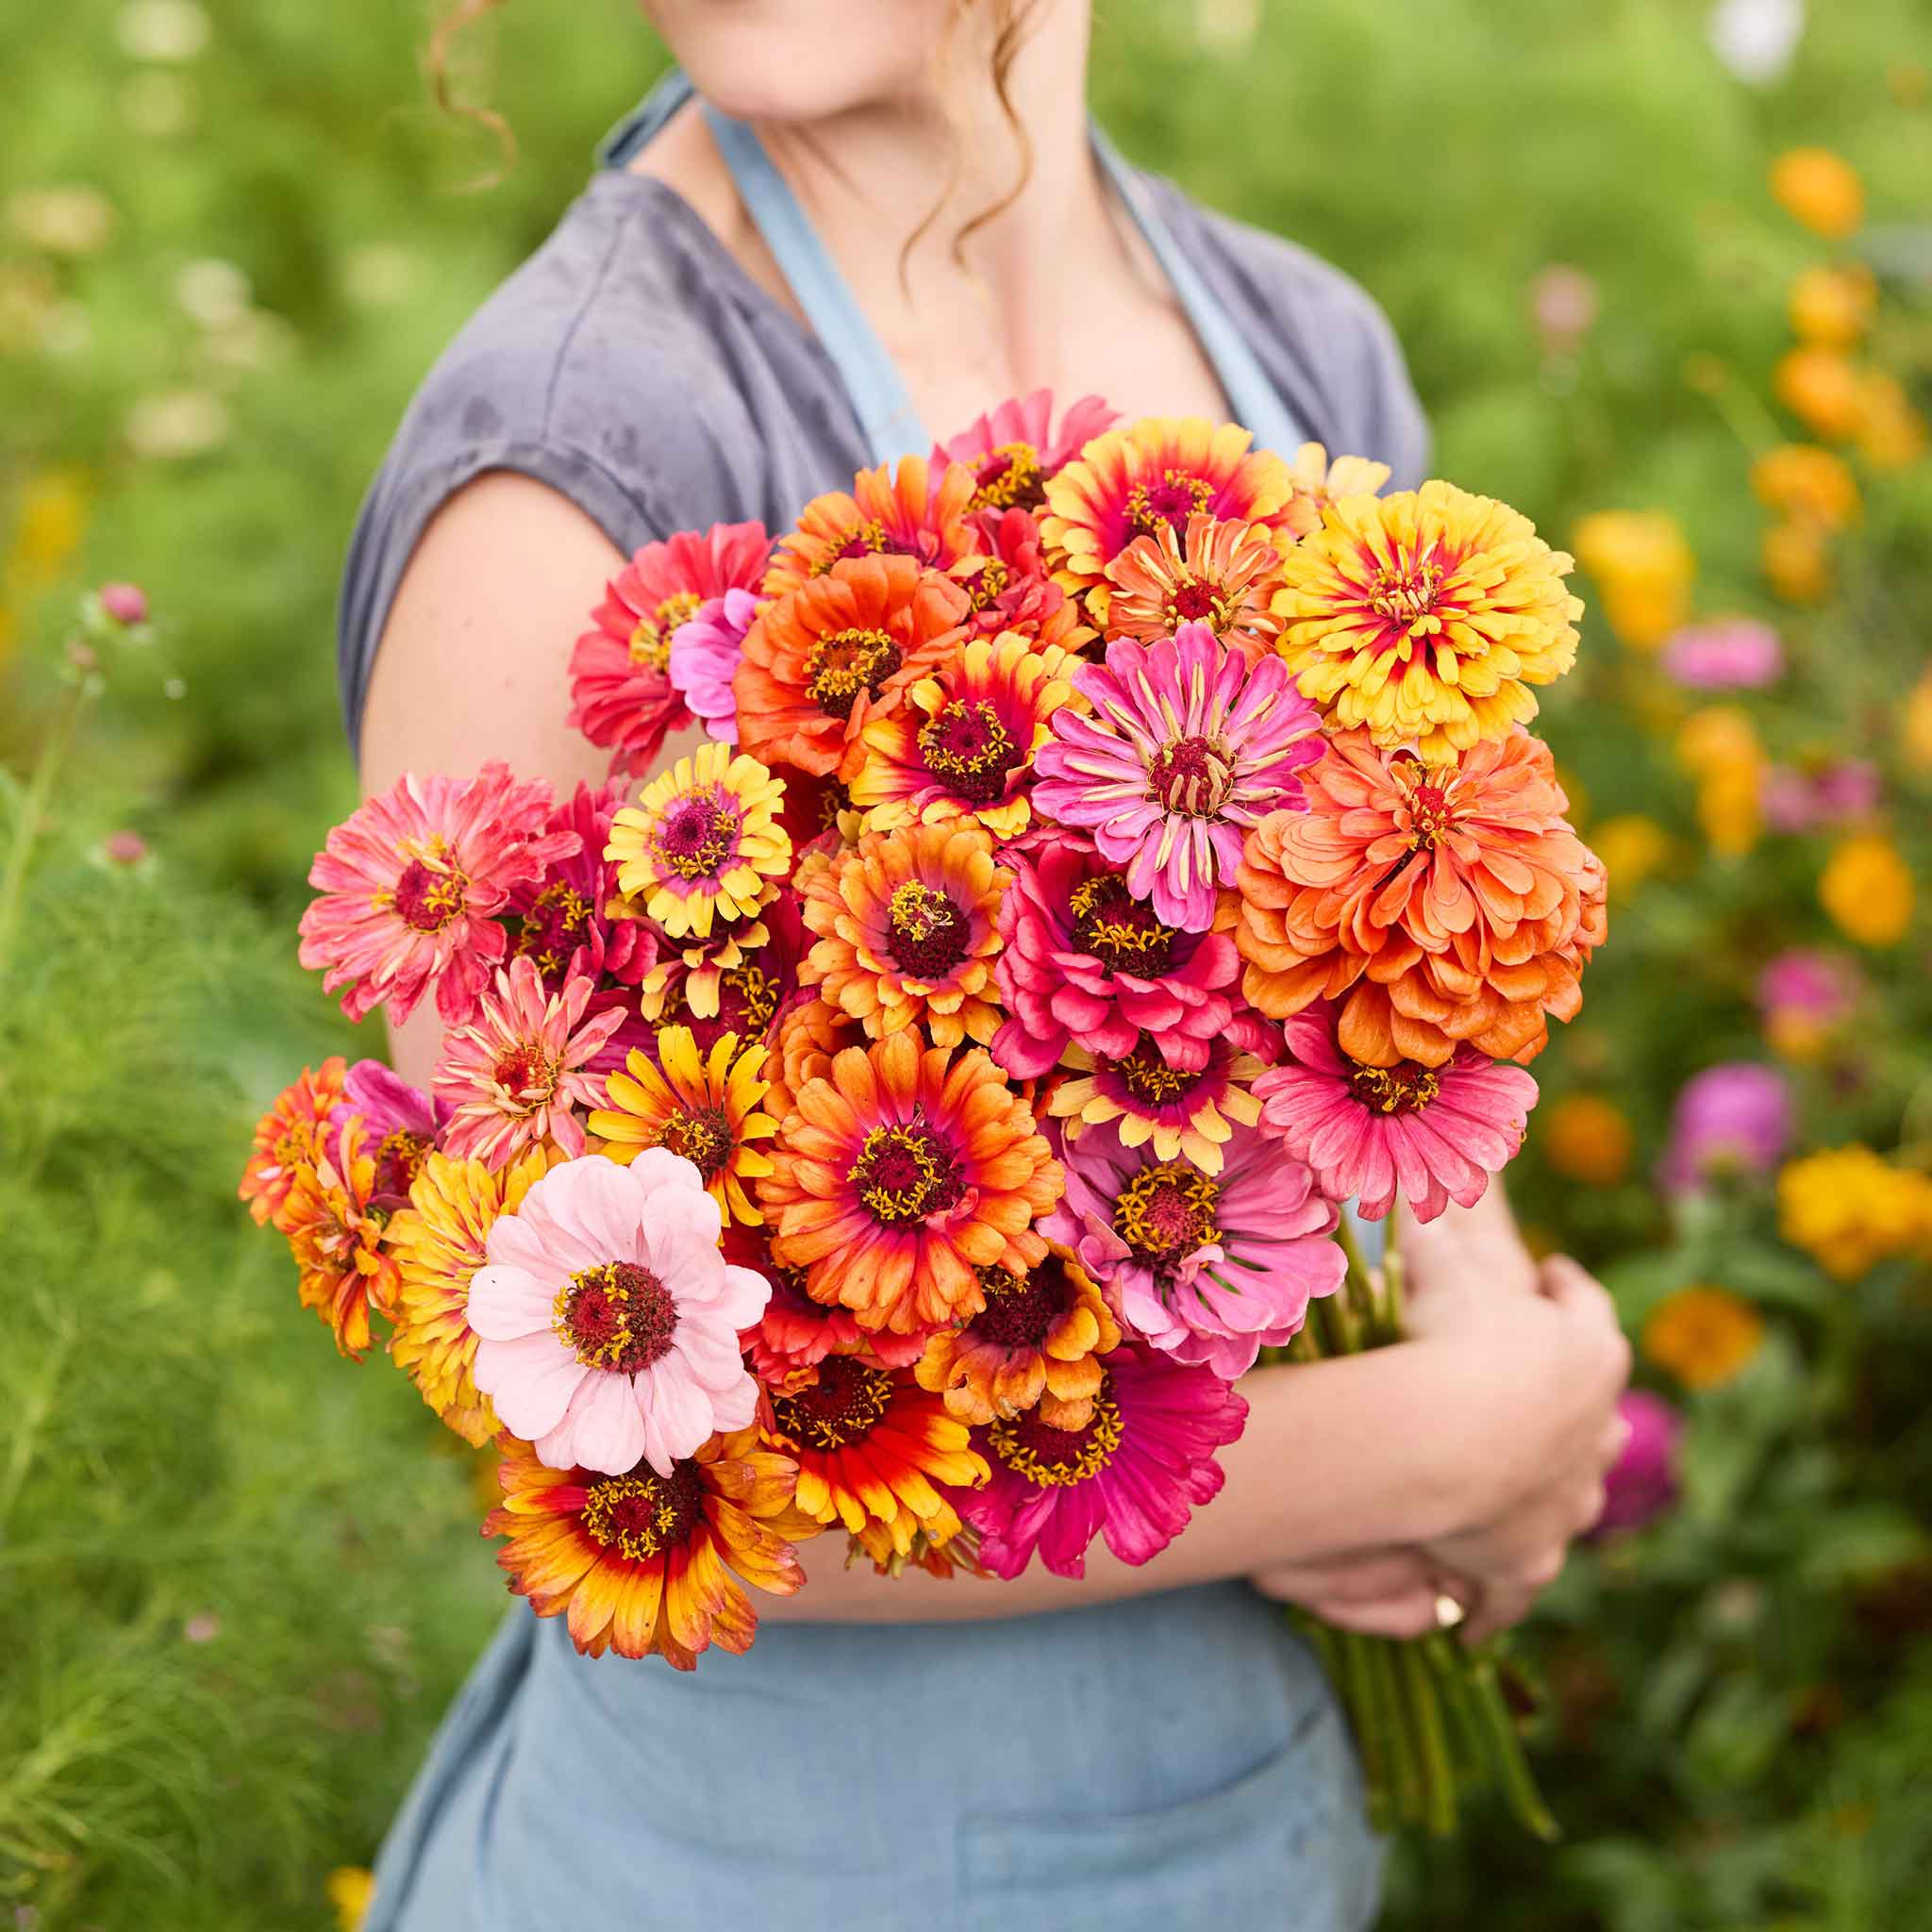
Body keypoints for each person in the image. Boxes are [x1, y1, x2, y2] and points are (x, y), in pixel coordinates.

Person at [341, 5, 1632, 1926]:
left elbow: (1393, 1083)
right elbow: (593, 1440)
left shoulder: (1297, 351)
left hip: (1260, 1821)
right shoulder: (567, 468)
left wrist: (1493, 1369)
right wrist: (1421, 1440)